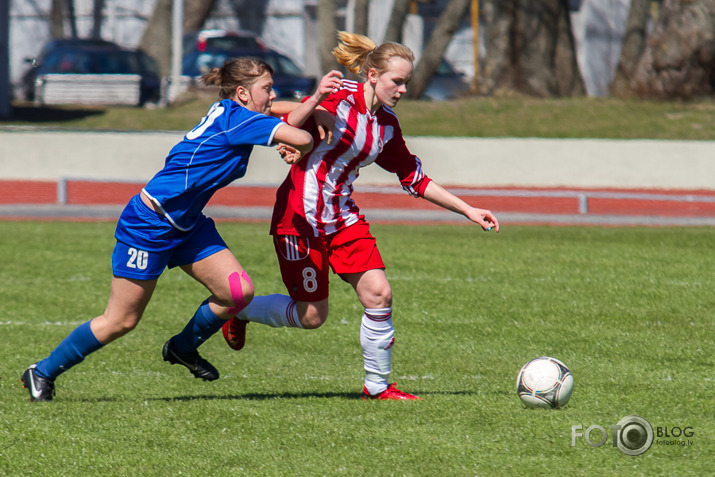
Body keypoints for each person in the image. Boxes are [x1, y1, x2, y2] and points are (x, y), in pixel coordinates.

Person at [221, 32, 500, 400]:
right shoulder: (337, 101)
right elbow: (284, 112)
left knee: (379, 293)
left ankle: (378, 387)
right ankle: (239, 313)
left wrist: (468, 209)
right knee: (312, 317)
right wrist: (291, 138)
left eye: (406, 83)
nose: (402, 90)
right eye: (396, 81)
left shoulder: (386, 125)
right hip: (298, 219)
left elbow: (414, 178)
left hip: (342, 219)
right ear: (372, 76)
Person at [21, 56, 318, 402]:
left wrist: (315, 106)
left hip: (187, 224)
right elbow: (301, 138)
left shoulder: (232, 111)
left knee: (237, 294)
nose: (272, 96)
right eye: (266, 88)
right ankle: (41, 371)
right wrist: (306, 130)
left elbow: (277, 111)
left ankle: (182, 348)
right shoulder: (239, 120)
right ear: (241, 93)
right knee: (121, 320)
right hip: (150, 225)